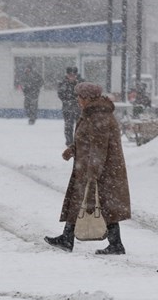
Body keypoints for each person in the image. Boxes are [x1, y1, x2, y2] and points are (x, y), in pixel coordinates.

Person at [44, 82, 131, 255]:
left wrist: (93, 175)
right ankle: (67, 238)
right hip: (89, 167)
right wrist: (73, 150)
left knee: (102, 205)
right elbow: (88, 141)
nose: (77, 100)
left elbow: (99, 148)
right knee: (82, 202)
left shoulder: (99, 116)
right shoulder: (91, 114)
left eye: (80, 97)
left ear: (88, 98)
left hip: (101, 171)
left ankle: (115, 244)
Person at [57, 67, 84, 146]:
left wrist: (78, 101)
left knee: (80, 126)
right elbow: (60, 94)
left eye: (73, 75)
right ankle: (69, 142)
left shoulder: (81, 83)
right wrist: (67, 101)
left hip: (78, 107)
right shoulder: (63, 83)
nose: (72, 77)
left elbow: (84, 94)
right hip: (67, 107)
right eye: (70, 75)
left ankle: (80, 141)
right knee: (68, 125)